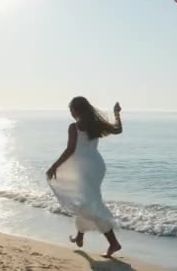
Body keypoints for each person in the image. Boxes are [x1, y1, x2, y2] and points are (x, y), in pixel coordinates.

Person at [46, 96, 123, 257]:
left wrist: (55, 165)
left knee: (91, 204)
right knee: (85, 201)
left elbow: (70, 150)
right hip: (97, 165)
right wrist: (117, 113)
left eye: (71, 110)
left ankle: (114, 243)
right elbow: (118, 130)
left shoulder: (74, 127)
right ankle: (80, 236)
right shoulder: (95, 124)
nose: (70, 113)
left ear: (75, 110)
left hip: (84, 169)